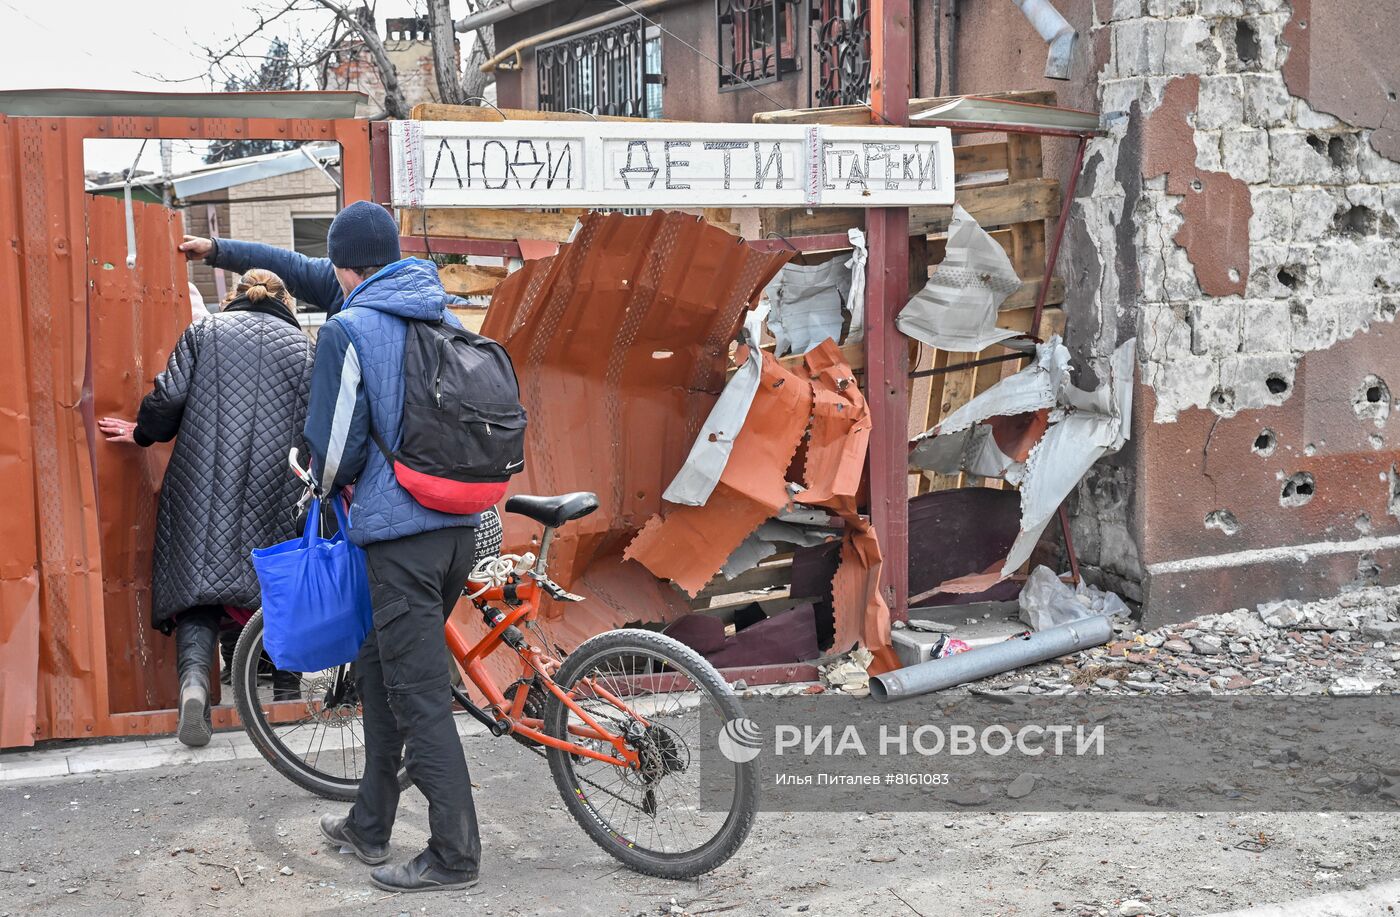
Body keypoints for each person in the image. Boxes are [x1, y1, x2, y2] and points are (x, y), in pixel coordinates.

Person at [302, 202, 483, 894]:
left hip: (400, 539)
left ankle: (455, 853)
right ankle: (370, 822)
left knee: (419, 695)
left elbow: (335, 456)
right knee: (380, 669)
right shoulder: (442, 315)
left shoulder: (349, 329)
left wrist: (312, 477)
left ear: (345, 267)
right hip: (458, 527)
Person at [98, 270, 312, 748]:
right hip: (277, 484)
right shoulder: (307, 349)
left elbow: (169, 398)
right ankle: (284, 694)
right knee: (275, 586)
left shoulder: (205, 332)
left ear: (234, 297)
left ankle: (194, 687)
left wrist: (141, 433)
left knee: (199, 590)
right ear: (287, 302)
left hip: (201, 478)